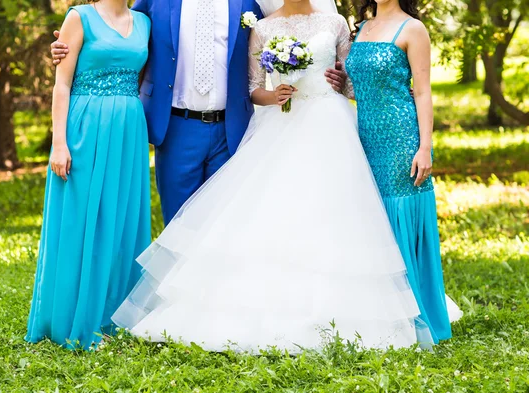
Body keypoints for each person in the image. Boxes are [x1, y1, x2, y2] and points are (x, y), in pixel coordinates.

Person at [110, 0, 436, 353]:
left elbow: (352, 82)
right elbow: (252, 87)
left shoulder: (336, 22)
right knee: (270, 214)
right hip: (274, 126)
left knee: (336, 214)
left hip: (331, 126)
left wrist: (342, 81)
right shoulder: (262, 25)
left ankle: (338, 305)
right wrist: (274, 94)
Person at [50, 0, 349, 225]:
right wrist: (69, 46)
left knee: (226, 224)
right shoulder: (155, 1)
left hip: (231, 130)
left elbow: (288, 30)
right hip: (177, 127)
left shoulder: (248, 4)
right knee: (178, 222)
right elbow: (120, 29)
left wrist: (332, 69)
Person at [26, 0, 151, 350]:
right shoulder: (78, 17)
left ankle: (115, 319)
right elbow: (62, 84)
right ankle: (70, 319)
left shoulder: (144, 21)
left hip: (128, 133)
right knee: (82, 221)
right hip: (85, 129)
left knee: (121, 221)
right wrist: (59, 143)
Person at [345, 0, 463, 344]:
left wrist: (425, 146)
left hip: (400, 137)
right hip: (364, 137)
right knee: (374, 220)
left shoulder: (413, 28)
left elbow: (424, 91)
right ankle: (381, 314)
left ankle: (413, 316)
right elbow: (360, 86)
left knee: (399, 215)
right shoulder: (362, 28)